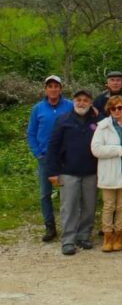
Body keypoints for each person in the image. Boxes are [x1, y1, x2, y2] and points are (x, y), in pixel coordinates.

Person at [45, 89, 101, 255]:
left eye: (85, 100)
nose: (81, 103)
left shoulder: (98, 120)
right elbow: (53, 147)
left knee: (89, 207)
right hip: (68, 171)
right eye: (79, 100)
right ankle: (68, 240)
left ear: (90, 103)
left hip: (91, 171)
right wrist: (52, 172)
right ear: (73, 101)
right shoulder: (63, 120)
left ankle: (83, 236)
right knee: (69, 207)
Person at [27, 74, 73, 243]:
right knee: (45, 194)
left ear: (61, 88)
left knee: (67, 194)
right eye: (50, 86)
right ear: (45, 89)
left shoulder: (70, 106)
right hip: (45, 157)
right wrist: (38, 153)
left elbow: (85, 121)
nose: (53, 89)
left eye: (56, 86)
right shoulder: (37, 108)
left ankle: (68, 226)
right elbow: (31, 133)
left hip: (66, 157)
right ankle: (50, 227)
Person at [91, 95, 122, 252]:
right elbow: (96, 149)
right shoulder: (102, 126)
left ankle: (119, 235)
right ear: (108, 110)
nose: (117, 111)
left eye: (120, 107)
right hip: (109, 172)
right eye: (113, 108)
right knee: (109, 205)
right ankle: (107, 236)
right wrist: (118, 150)